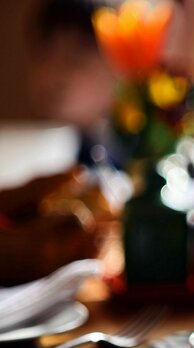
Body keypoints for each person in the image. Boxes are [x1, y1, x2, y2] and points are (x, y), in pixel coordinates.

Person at [0, 0, 117, 284]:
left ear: (115, 67)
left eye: (76, 60)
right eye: (43, 56)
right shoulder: (21, 152)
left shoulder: (123, 154)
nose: (55, 74)